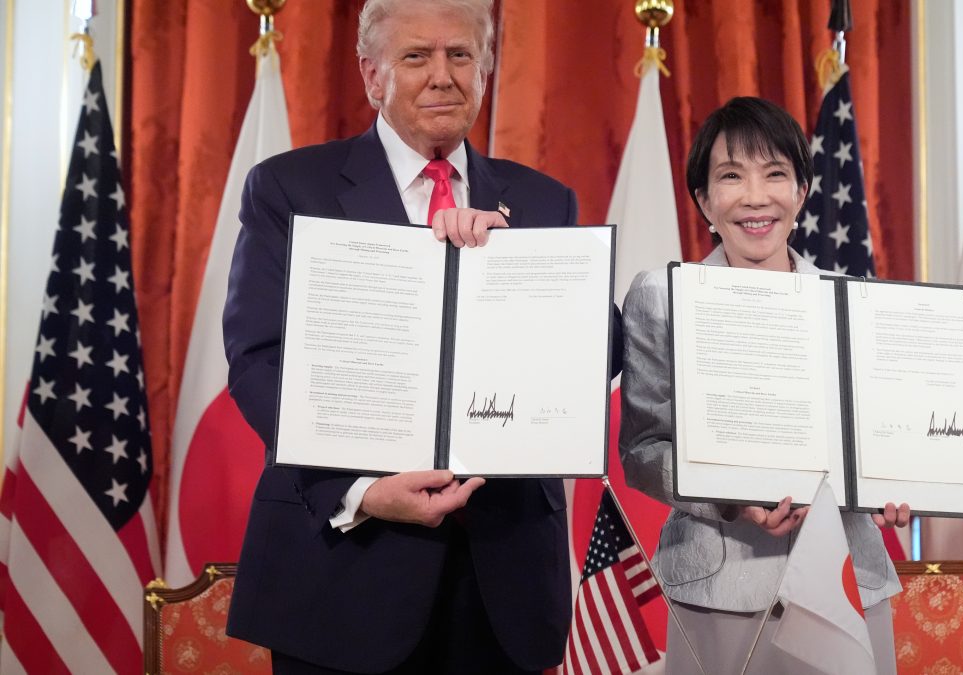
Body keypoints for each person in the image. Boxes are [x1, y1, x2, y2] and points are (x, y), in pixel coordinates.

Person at [223, 1, 609, 672]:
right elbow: (259, 359)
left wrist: (520, 273)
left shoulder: (543, 202)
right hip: (344, 572)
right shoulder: (291, 189)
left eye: (461, 55)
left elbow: (594, 352)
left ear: (484, 71)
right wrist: (362, 490)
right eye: (416, 57)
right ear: (372, 75)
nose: (442, 76)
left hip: (503, 583)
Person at [620, 96, 910, 675]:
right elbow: (643, 452)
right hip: (717, 585)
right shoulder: (660, 295)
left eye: (775, 173)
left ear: (802, 192)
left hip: (846, 578)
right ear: (703, 199)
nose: (755, 196)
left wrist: (899, 485)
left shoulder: (853, 300)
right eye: (731, 176)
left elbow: (881, 439)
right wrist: (728, 497)